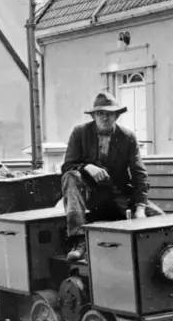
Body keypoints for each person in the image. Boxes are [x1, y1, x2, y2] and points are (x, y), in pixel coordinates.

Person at [60, 92, 164, 261]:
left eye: (109, 114)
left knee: (159, 219)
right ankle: (80, 241)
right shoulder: (80, 133)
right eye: (100, 113)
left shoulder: (127, 137)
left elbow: (139, 174)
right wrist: (87, 167)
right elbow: (67, 166)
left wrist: (140, 209)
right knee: (71, 176)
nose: (105, 118)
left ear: (116, 115)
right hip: (90, 196)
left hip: (118, 195)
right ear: (94, 115)